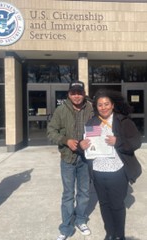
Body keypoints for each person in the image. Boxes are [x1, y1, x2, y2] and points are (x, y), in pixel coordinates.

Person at [80, 89, 142, 240]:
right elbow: (88, 148)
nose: (103, 107)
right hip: (98, 171)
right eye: (100, 105)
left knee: (117, 205)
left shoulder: (123, 121)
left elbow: (136, 142)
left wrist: (118, 142)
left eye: (106, 104)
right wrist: (82, 146)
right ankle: (110, 233)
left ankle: (119, 235)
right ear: (96, 107)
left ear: (112, 105)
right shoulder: (92, 122)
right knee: (104, 204)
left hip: (118, 171)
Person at [47, 81, 94, 240]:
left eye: (79, 92)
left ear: (83, 93)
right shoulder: (61, 110)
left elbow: (98, 128)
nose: (76, 96)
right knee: (68, 194)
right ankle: (66, 228)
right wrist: (66, 140)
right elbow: (51, 132)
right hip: (67, 158)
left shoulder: (91, 108)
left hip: (86, 158)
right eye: (73, 92)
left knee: (84, 193)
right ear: (68, 94)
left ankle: (80, 220)